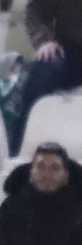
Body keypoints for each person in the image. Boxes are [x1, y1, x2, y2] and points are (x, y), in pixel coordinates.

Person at [19, 0, 82, 152]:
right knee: (43, 68)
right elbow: (36, 11)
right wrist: (44, 41)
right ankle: (23, 149)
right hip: (71, 49)